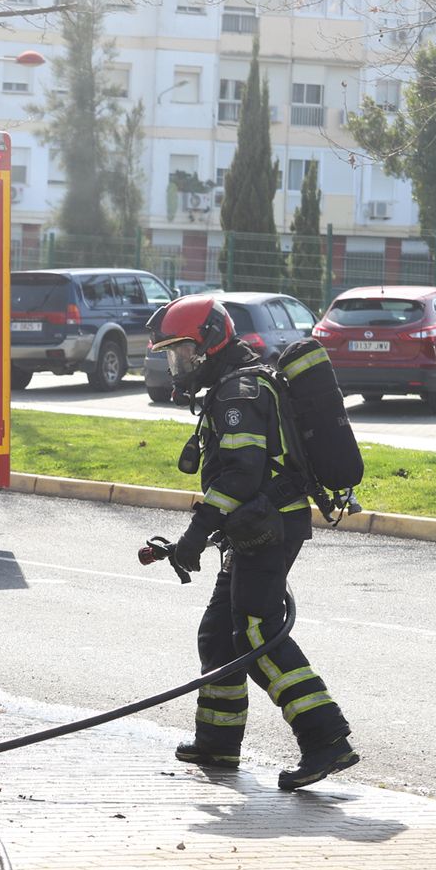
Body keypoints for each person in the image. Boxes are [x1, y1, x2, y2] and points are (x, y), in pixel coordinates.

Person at [147, 294, 358, 791]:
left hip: (270, 528)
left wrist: (194, 537)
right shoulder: (230, 383)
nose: (175, 365)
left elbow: (241, 475)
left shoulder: (239, 391)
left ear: (208, 344)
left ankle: (326, 738)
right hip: (254, 528)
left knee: (257, 636)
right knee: (219, 634)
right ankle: (219, 742)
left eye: (179, 353)